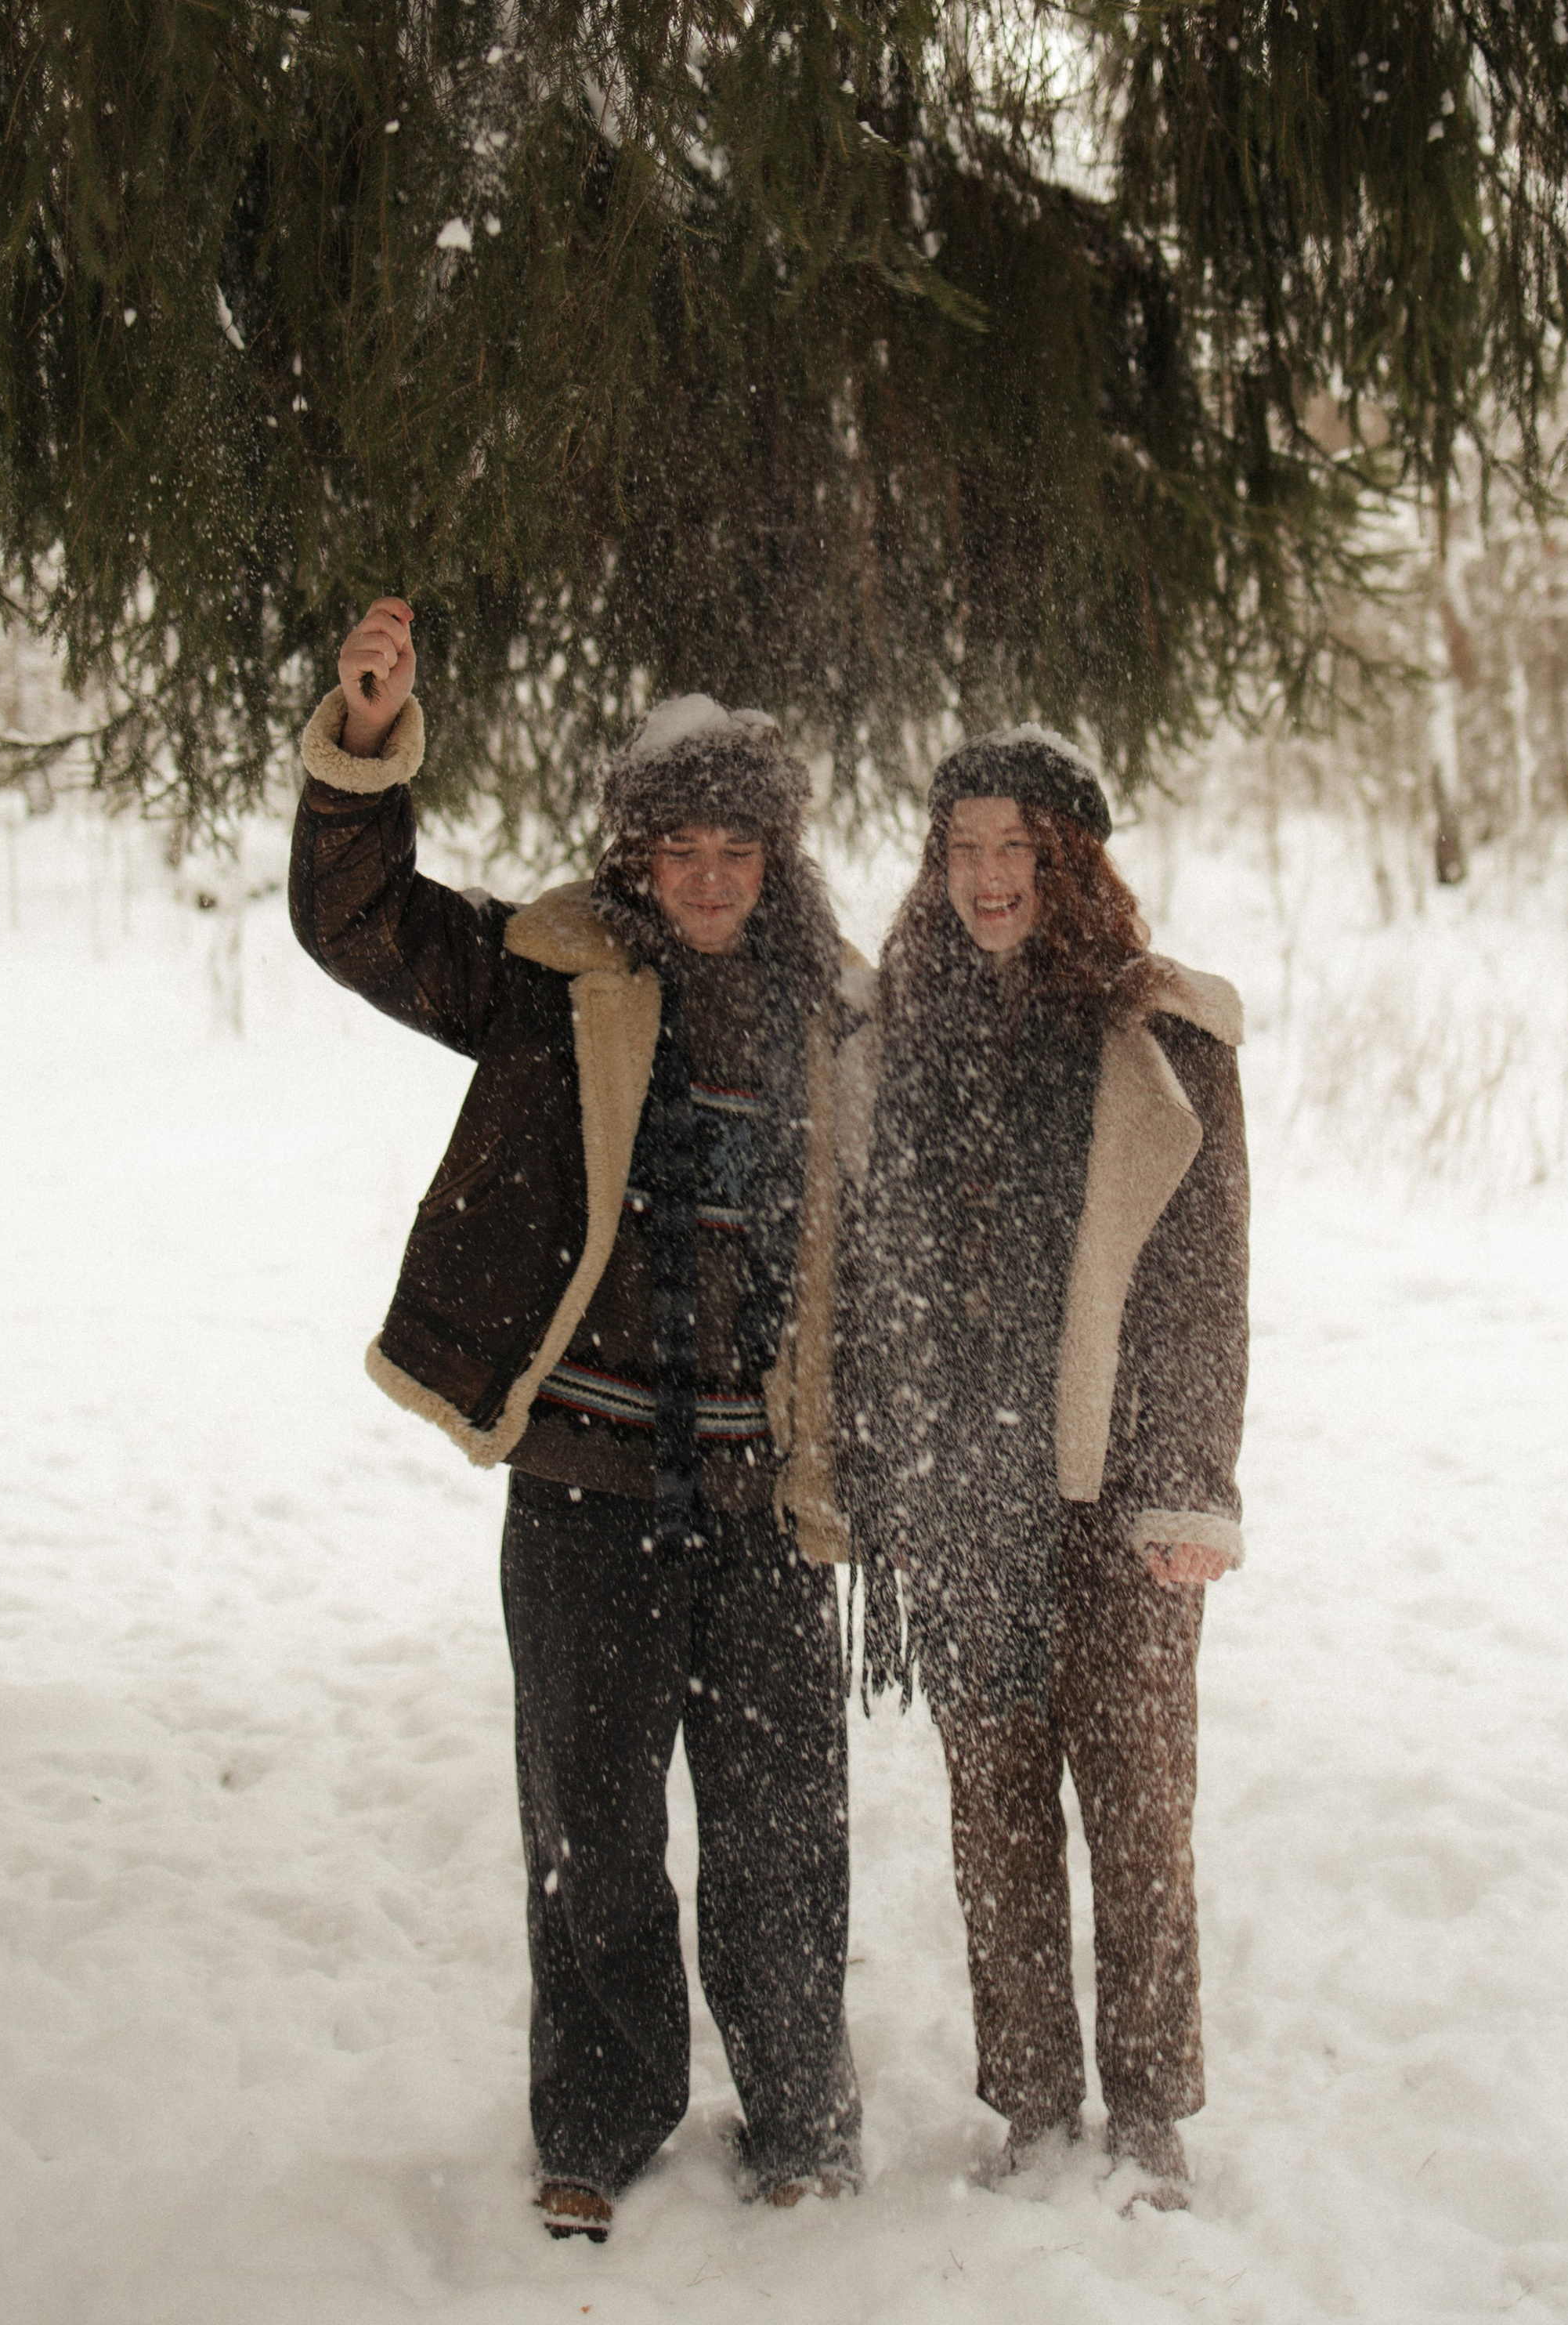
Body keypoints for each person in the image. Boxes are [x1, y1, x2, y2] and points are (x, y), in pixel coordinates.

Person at [290, 598, 871, 2244]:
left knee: (779, 1831)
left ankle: (800, 2113)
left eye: (734, 850)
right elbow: (357, 925)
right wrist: (363, 744)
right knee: (592, 1825)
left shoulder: (833, 1014)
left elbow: (887, 1235)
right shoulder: (545, 974)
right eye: (675, 847)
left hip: (763, 1499)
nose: (704, 877)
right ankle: (602, 2116)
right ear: (630, 856)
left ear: (773, 859)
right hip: (581, 1488)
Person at [840, 729, 1248, 2211]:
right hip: (963, 1491)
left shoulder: (1156, 1037)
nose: (989, 878)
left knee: (1139, 1815)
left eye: (1017, 849)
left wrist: (1190, 1485)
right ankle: (1031, 2101)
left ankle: (1147, 2109)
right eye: (963, 849)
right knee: (997, 1813)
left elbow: (1203, 1285)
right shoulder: (900, 1032)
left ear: (1072, 861)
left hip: (1114, 1487)